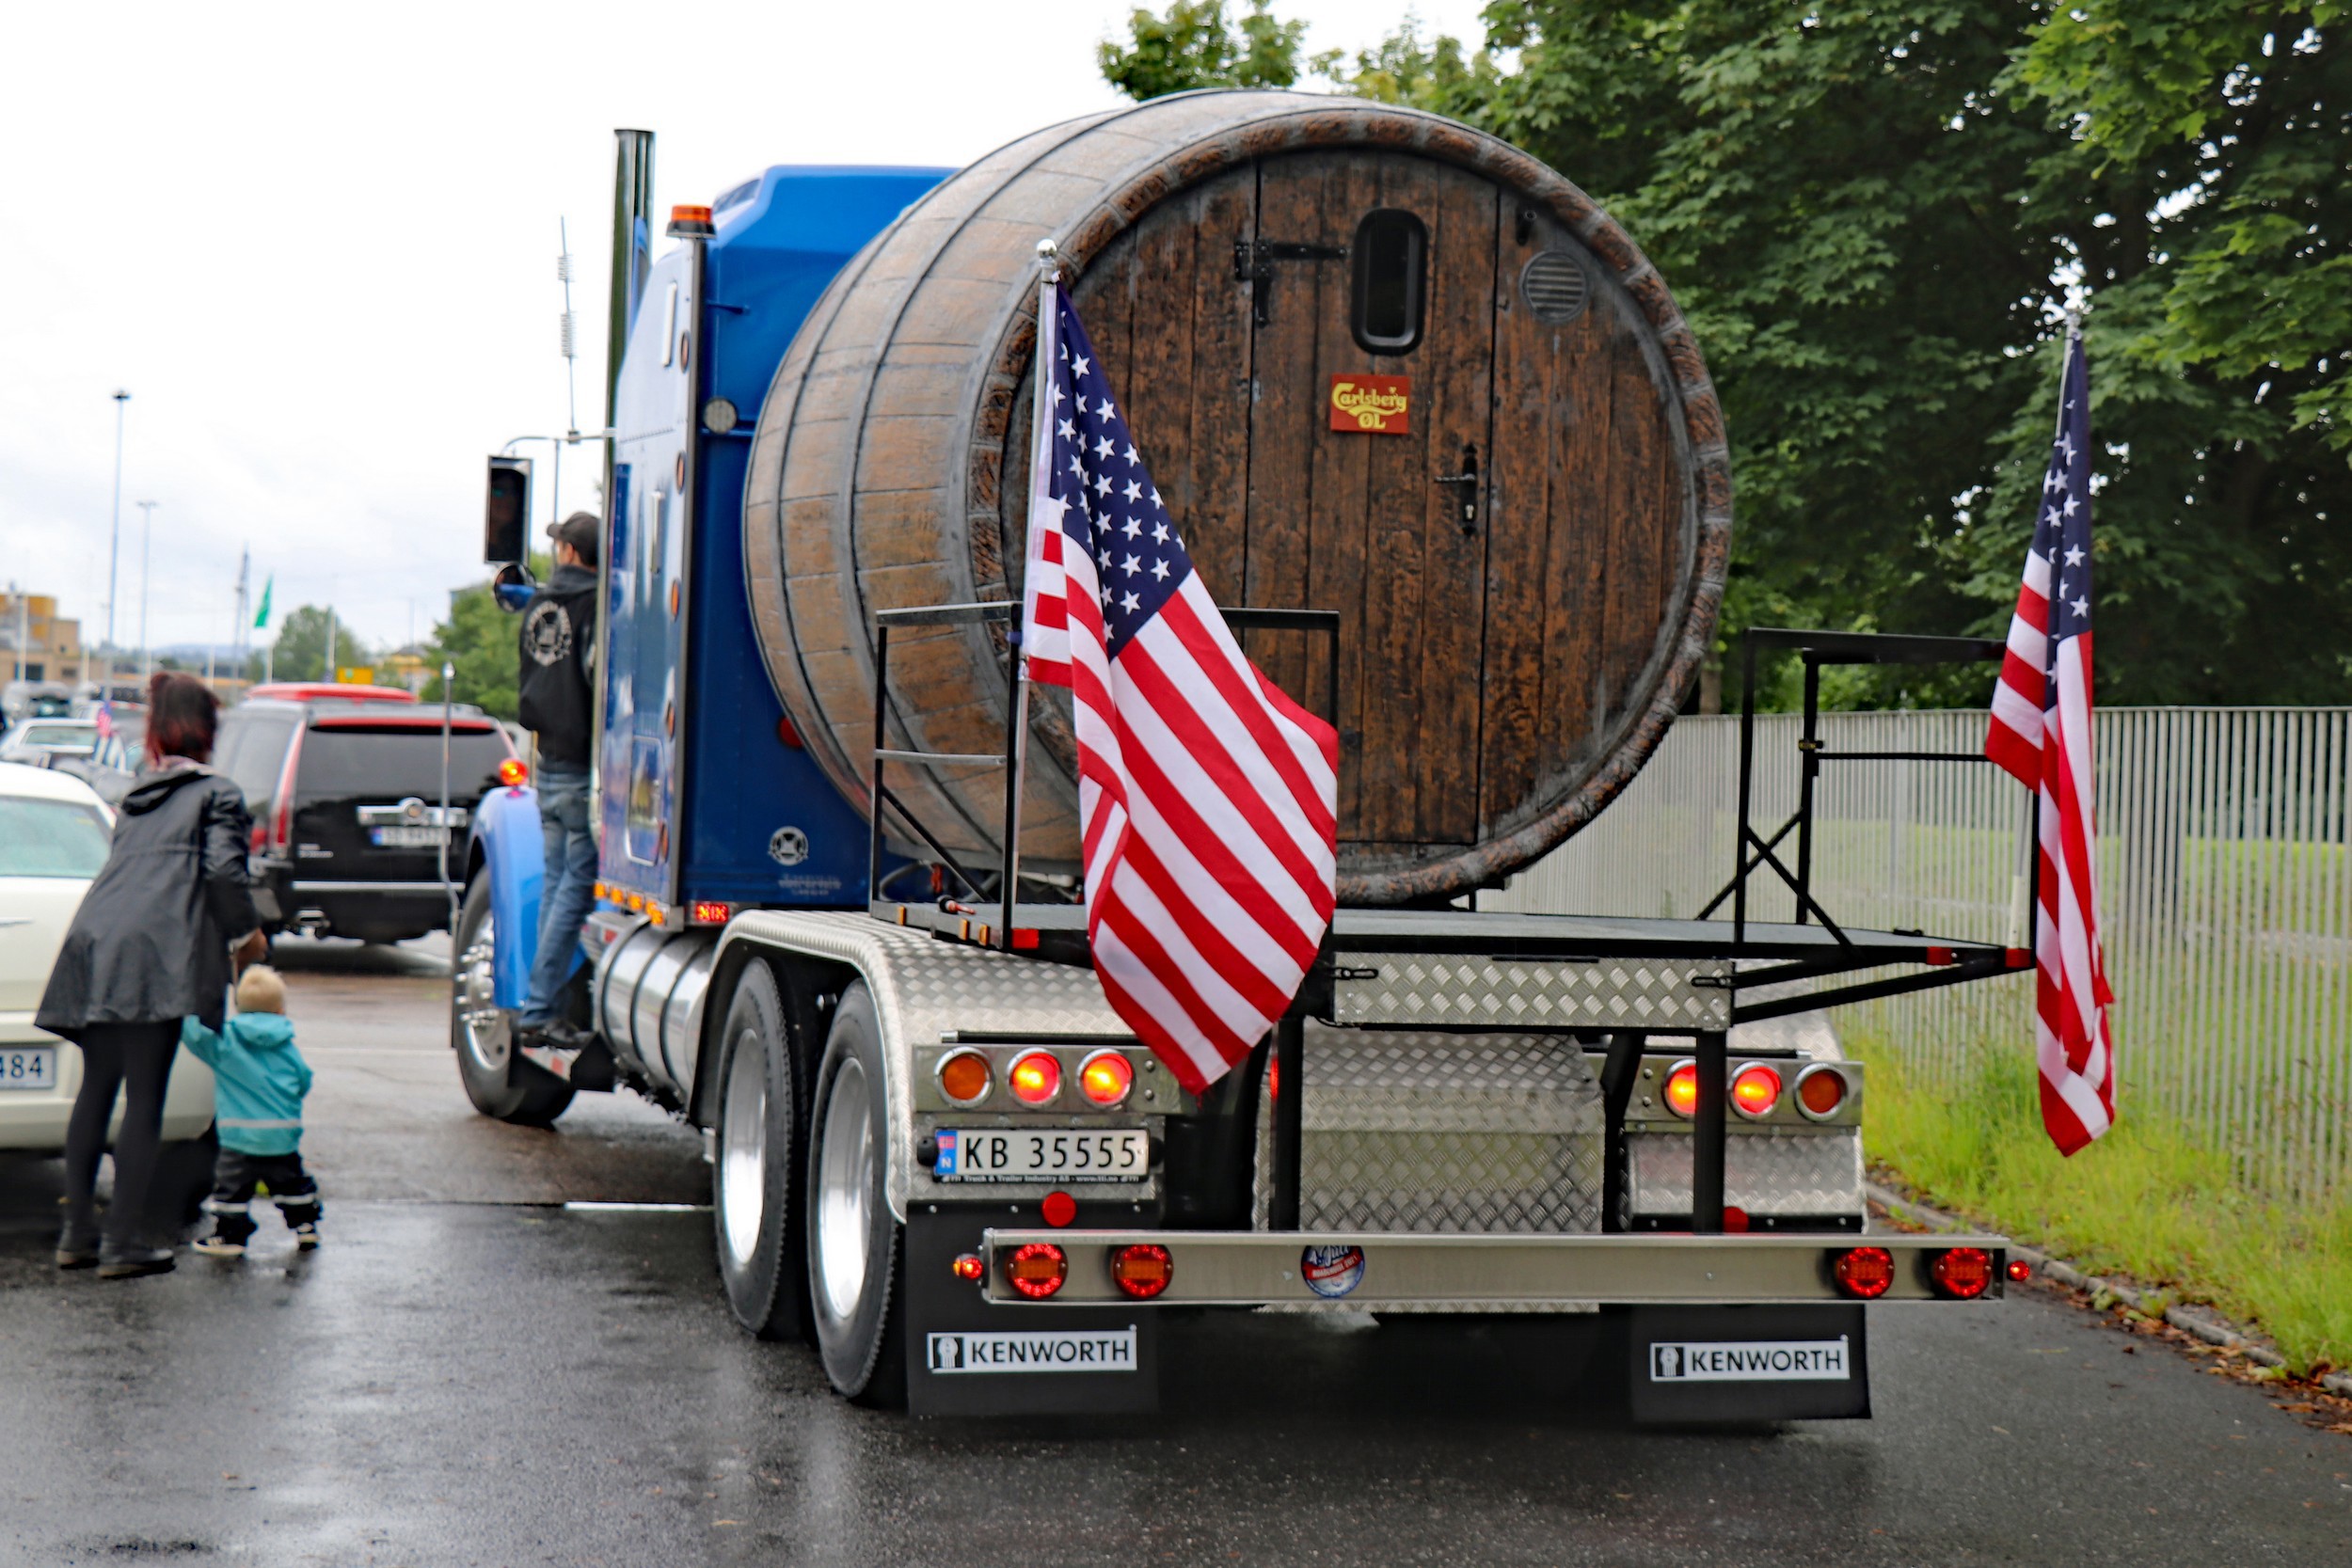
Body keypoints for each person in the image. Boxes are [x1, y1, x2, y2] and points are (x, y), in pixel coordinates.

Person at [38, 672, 265, 1278]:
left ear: (158, 731)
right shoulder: (217, 794)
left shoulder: (139, 796)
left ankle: (77, 1235)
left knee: (96, 1089)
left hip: (96, 941)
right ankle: (121, 1244)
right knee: (145, 1099)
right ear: (207, 730)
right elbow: (223, 874)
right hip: (152, 953)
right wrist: (247, 934)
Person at [514, 510, 600, 1047]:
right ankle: (541, 1008)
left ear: (570, 551)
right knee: (575, 887)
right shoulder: (600, 606)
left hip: (546, 760)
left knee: (554, 885)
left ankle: (539, 1005)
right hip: (581, 766)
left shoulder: (538, 603)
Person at [182, 964, 319, 1258]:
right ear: (280, 1009)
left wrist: (189, 1006)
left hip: (238, 1138)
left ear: (239, 1007)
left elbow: (193, 1036)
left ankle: (231, 1235)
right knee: (292, 1183)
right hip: (282, 1136)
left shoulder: (227, 1043)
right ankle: (305, 1225)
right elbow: (303, 1079)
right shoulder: (286, 1046)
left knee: (231, 1190)